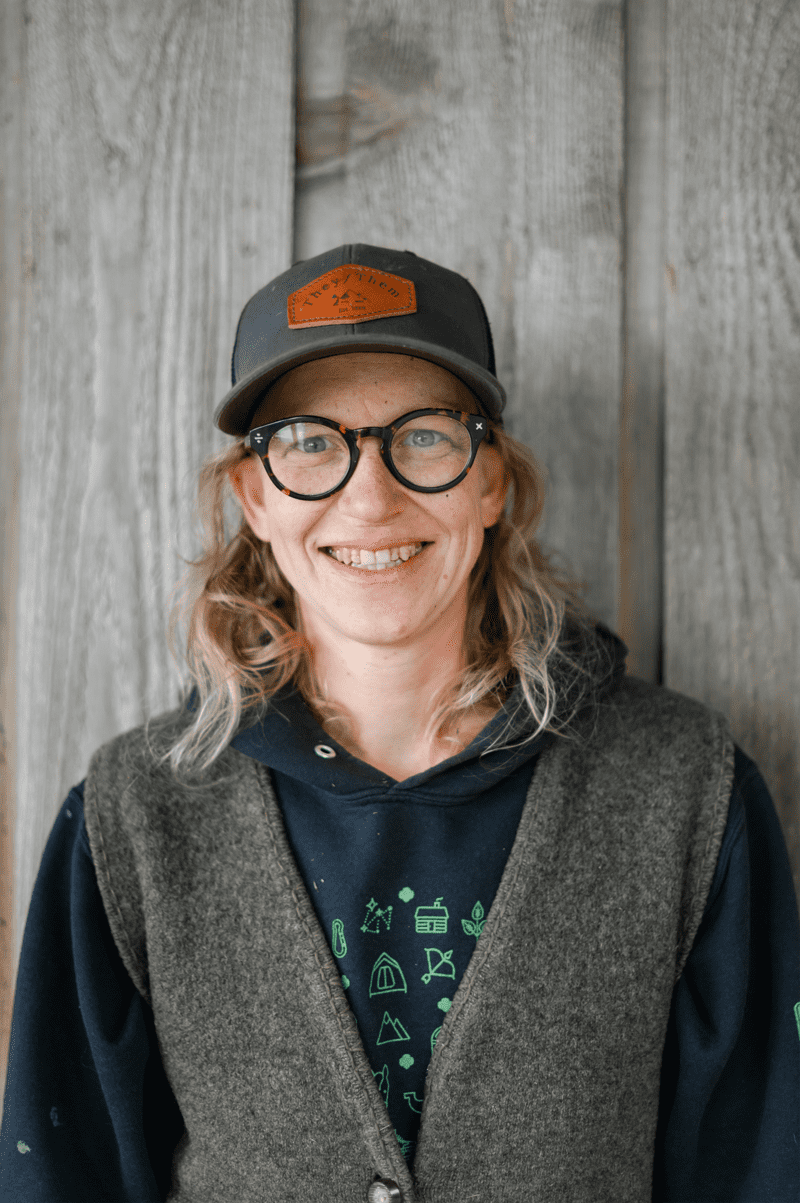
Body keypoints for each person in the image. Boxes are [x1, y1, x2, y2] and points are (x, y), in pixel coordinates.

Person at [1, 244, 798, 1203]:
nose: (370, 497)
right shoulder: (133, 818)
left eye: (422, 435)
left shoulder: (684, 791)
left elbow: (756, 1164)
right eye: (309, 441)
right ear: (254, 497)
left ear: (491, 480)